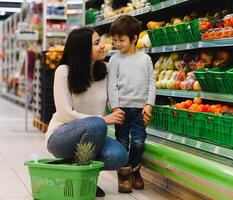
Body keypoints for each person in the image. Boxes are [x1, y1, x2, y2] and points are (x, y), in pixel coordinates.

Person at [46, 27, 128, 197]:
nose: (103, 45)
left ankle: (76, 168)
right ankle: (84, 181)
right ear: (83, 49)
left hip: (94, 135)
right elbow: (65, 114)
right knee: (97, 124)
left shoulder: (105, 71)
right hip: (61, 136)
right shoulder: (64, 72)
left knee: (119, 156)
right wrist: (103, 119)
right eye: (97, 42)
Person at [108, 15, 156, 193]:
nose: (117, 44)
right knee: (122, 143)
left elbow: (152, 83)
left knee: (138, 142)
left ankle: (135, 170)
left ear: (134, 38)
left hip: (139, 110)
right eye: (114, 41)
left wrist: (149, 104)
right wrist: (115, 107)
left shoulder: (145, 60)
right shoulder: (114, 60)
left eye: (121, 40)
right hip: (121, 109)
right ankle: (124, 174)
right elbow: (111, 86)